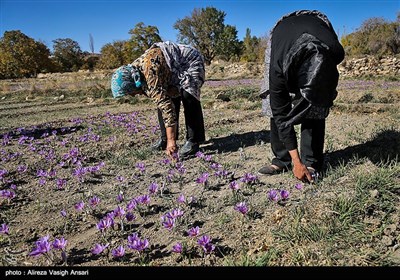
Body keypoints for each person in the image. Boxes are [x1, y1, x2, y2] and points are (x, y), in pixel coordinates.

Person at [258, 10, 345, 183]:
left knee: (316, 103)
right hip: (282, 36)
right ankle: (283, 160)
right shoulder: (278, 68)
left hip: (318, 31)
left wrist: (323, 94)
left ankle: (311, 161)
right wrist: (296, 161)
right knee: (274, 105)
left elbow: (328, 81)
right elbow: (281, 113)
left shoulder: (335, 52)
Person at [111, 41, 206, 160]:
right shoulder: (134, 72)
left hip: (189, 61)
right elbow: (161, 99)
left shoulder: (149, 77)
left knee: (188, 96)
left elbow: (167, 107)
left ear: (132, 85)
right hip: (171, 69)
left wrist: (172, 143)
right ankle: (164, 139)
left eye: (131, 93)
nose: (133, 96)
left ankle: (193, 141)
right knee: (166, 97)